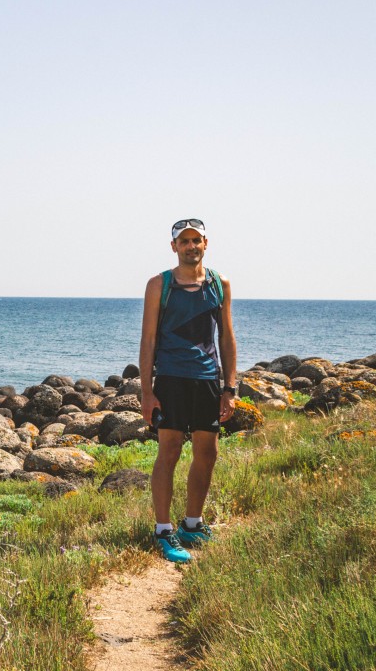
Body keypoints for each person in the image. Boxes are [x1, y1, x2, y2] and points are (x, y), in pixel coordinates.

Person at [139, 218, 237, 563]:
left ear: (205, 244)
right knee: (169, 453)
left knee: (207, 453)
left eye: (197, 240)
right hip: (171, 379)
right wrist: (147, 392)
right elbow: (148, 339)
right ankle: (163, 530)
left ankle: (192, 524)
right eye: (184, 241)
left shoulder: (218, 283)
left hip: (208, 379)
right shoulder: (159, 285)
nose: (191, 246)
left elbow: (225, 336)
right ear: (174, 247)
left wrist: (230, 387)